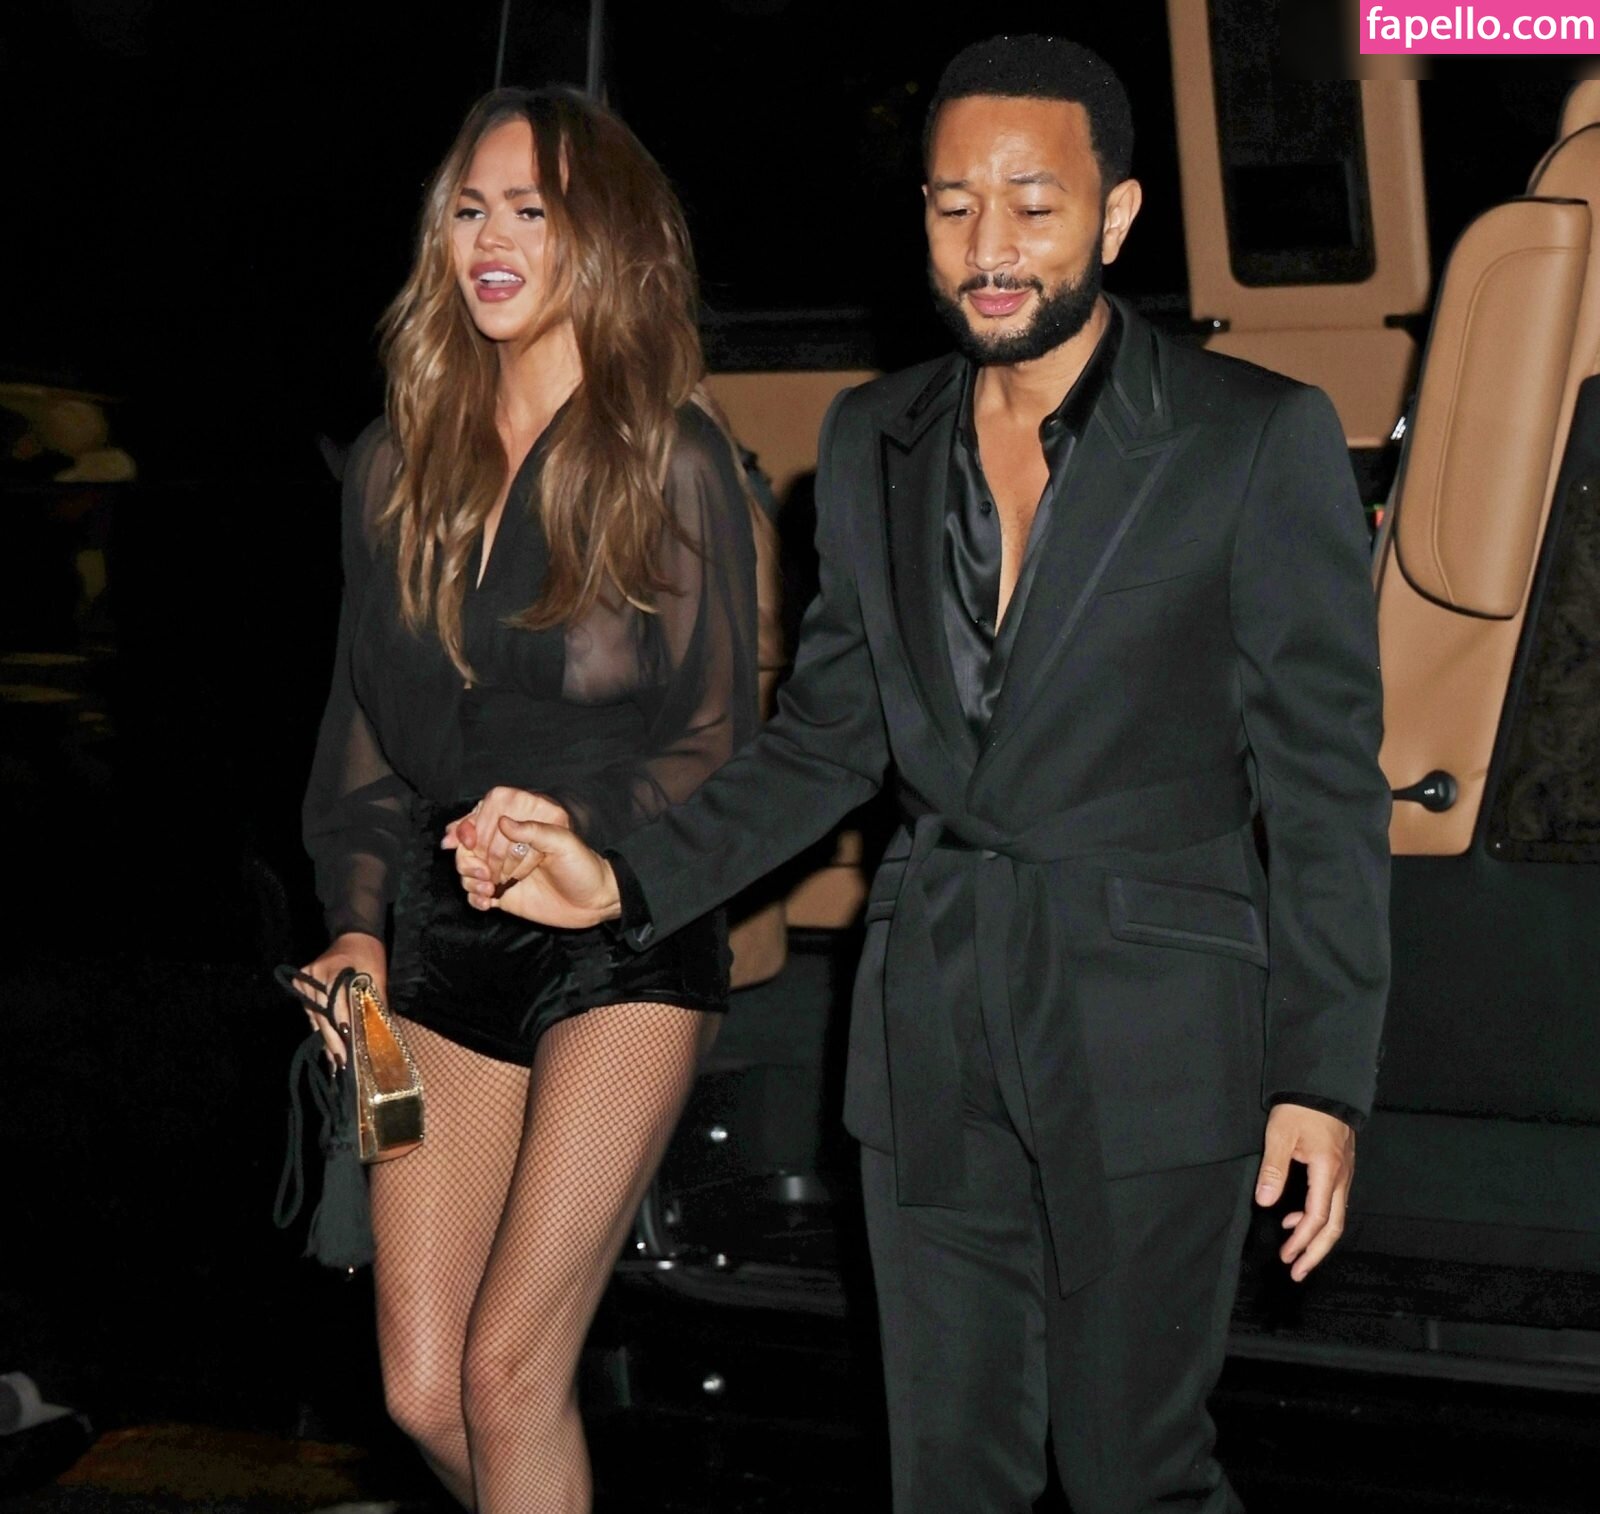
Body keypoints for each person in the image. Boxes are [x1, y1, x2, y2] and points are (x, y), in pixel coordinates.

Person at [453, 36, 1390, 1514]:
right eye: (955, 206)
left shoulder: (1250, 437)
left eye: (1033, 204)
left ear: (1119, 216)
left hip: (1156, 1024)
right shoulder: (870, 438)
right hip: (930, 1017)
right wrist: (623, 880)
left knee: (1134, 1470)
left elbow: (1328, 785)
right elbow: (829, 738)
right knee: (947, 1473)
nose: (990, 247)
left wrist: (1319, 1075)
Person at [296, 86, 761, 1512]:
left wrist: (582, 833)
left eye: (532, 211)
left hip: (622, 933)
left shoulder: (670, 457)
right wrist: (356, 924)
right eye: (469, 209)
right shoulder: (393, 466)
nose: (491, 239)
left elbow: (716, 738)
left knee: (509, 1372)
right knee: (423, 1389)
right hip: (441, 940)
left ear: (604, 238)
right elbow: (361, 731)